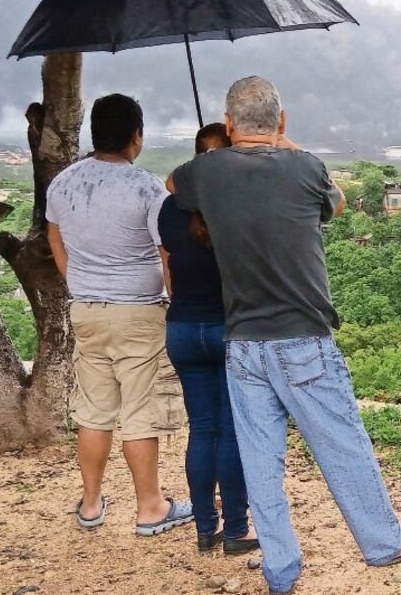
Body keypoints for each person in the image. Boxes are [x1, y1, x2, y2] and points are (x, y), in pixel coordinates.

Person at [167, 76, 401, 594]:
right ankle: (384, 542)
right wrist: (283, 143)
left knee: (260, 460)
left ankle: (280, 569)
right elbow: (334, 205)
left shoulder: (204, 173)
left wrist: (219, 160)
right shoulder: (305, 166)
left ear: (227, 126)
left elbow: (173, 187)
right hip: (302, 338)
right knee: (342, 445)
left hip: (242, 342)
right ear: (283, 122)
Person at [46, 93, 193, 535]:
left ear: (94, 133)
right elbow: (166, 254)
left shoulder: (63, 184)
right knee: (140, 410)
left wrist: (80, 283)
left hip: (86, 310)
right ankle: (150, 507)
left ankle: (91, 505)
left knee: (94, 410)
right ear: (136, 136)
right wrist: (178, 299)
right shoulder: (147, 188)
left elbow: (56, 242)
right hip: (139, 314)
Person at [158, 123, 259, 555]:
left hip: (182, 328)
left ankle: (204, 529)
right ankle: (237, 530)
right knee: (232, 431)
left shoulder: (167, 208)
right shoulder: (235, 208)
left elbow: (169, 272)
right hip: (228, 328)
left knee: (202, 430)